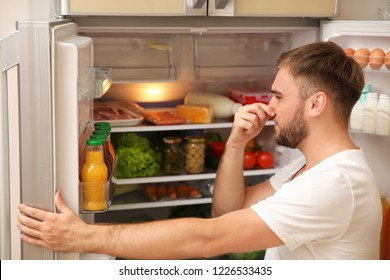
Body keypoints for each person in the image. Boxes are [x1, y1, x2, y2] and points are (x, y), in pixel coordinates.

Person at [18, 41, 382, 260]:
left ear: (316, 104)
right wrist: (237, 141)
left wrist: (85, 237)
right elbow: (227, 209)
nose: (270, 107)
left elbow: (208, 238)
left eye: (279, 96)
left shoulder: (335, 182)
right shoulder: (309, 167)